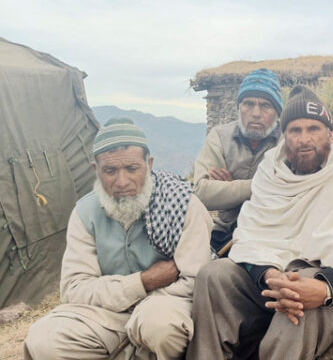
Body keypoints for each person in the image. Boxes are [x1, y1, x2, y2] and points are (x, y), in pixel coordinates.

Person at [186, 86, 333, 360]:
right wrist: (268, 275)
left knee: (301, 288)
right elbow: (251, 236)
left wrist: (325, 289)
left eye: (313, 129)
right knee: (214, 276)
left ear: (330, 133)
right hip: (270, 276)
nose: (304, 139)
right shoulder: (270, 169)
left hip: (325, 281)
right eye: (295, 130)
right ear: (284, 136)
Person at [24, 117, 212, 359]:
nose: (122, 182)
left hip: (169, 305)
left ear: (149, 164)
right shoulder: (85, 213)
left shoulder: (184, 204)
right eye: (110, 171)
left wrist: (146, 309)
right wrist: (142, 282)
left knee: (158, 326)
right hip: (106, 315)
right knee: (44, 340)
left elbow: (194, 281)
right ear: (96, 170)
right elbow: (74, 288)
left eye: (132, 169)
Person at [193, 68, 283, 254]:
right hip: (223, 232)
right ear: (238, 107)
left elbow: (286, 192)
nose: (255, 113)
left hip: (270, 234)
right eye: (248, 104)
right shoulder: (219, 137)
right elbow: (201, 193)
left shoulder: (286, 143)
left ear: (277, 112)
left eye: (265, 105)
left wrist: (231, 188)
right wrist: (261, 185)